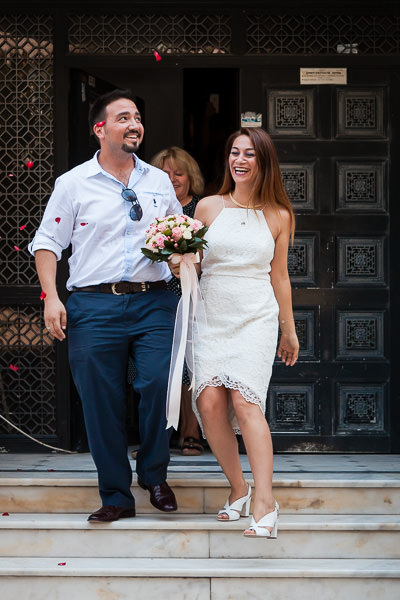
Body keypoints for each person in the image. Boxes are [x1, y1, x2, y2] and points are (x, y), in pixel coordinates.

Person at [28, 89, 182, 522]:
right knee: (100, 400)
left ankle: (154, 474)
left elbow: (175, 234)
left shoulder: (158, 182)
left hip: (154, 301)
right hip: (93, 306)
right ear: (100, 129)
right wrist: (52, 298)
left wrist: (183, 254)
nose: (134, 124)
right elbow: (47, 243)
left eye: (137, 117)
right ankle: (116, 494)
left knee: (157, 385)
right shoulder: (73, 183)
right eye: (123, 118)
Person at [170, 127, 299, 538]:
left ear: (264, 161)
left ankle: (265, 500)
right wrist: (179, 262)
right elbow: (195, 264)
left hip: (255, 315)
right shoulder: (207, 207)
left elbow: (280, 277)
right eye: (234, 153)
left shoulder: (280, 215)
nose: (239, 160)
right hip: (211, 314)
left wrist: (288, 330)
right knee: (208, 403)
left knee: (245, 402)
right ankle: (238, 488)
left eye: (249, 154)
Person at [151, 146, 205, 456]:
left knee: (190, 365)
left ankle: (190, 432)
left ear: (191, 177)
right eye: (165, 174)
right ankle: (156, 438)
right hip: (157, 294)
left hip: (193, 294)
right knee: (156, 368)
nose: (172, 179)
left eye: (178, 173)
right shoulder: (151, 209)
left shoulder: (202, 209)